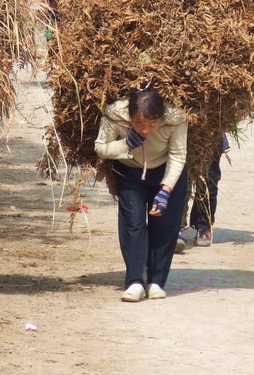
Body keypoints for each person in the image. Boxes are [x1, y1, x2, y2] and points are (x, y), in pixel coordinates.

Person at [95, 87, 188, 302]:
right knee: (133, 224)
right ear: (130, 117)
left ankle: (156, 281)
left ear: (162, 117)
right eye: (139, 124)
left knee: (164, 226)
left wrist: (166, 189)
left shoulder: (176, 118)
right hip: (129, 171)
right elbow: (100, 147)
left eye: (152, 124)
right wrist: (126, 143)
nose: (145, 130)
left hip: (166, 172)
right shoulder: (115, 114)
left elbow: (178, 155)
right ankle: (135, 281)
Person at [183, 134, 229, 249]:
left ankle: (203, 225)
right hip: (182, 130)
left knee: (208, 179)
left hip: (211, 132)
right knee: (182, 179)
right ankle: (176, 227)